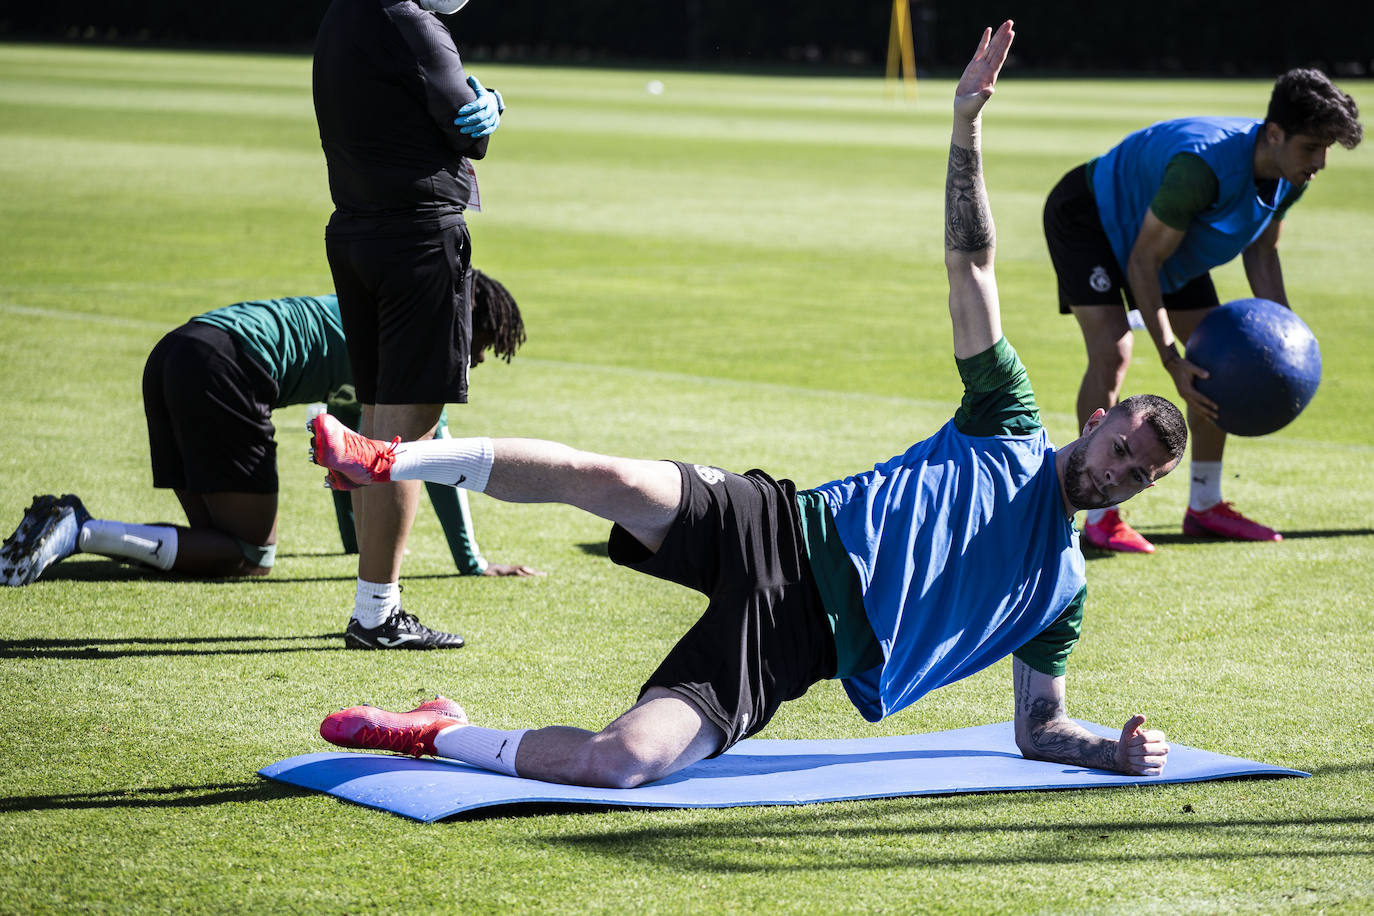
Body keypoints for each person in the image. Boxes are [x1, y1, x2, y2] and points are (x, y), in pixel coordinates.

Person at [310, 22, 1182, 789]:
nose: (1119, 475)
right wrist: (966, 124)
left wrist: (1115, 751)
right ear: (1097, 419)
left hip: (796, 644)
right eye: (1123, 448)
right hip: (779, 524)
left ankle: (440, 731)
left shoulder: (1059, 592)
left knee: (622, 764)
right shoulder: (1009, 420)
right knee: (601, 476)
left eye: (1138, 476)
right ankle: (386, 456)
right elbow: (973, 266)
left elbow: (1040, 729)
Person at [0, 272, 536, 615]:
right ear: (463, 323)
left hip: (177, 352)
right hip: (226, 370)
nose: (483, 358)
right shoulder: (406, 347)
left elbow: (350, 453)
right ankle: (79, 528)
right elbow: (425, 455)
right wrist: (471, 563)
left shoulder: (374, 320)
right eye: (484, 342)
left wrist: (357, 546)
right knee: (251, 556)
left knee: (213, 543)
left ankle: (73, 529)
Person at [1044, 66, 1362, 553]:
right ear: (1274, 134)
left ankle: (1205, 506)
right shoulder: (1203, 168)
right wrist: (1171, 358)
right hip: (1092, 218)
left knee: (1216, 364)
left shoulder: (1291, 173)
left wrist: (1289, 340)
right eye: (1310, 147)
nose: (1319, 161)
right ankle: (1098, 512)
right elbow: (1143, 262)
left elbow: (1262, 252)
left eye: (1326, 150)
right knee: (1114, 352)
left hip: (1172, 243)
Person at [312, 0, 506, 649]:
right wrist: (493, 106)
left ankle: (375, 608)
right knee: (405, 437)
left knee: (375, 424)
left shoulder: (342, 15)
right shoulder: (412, 22)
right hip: (419, 237)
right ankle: (377, 614)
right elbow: (469, 132)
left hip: (355, 229)